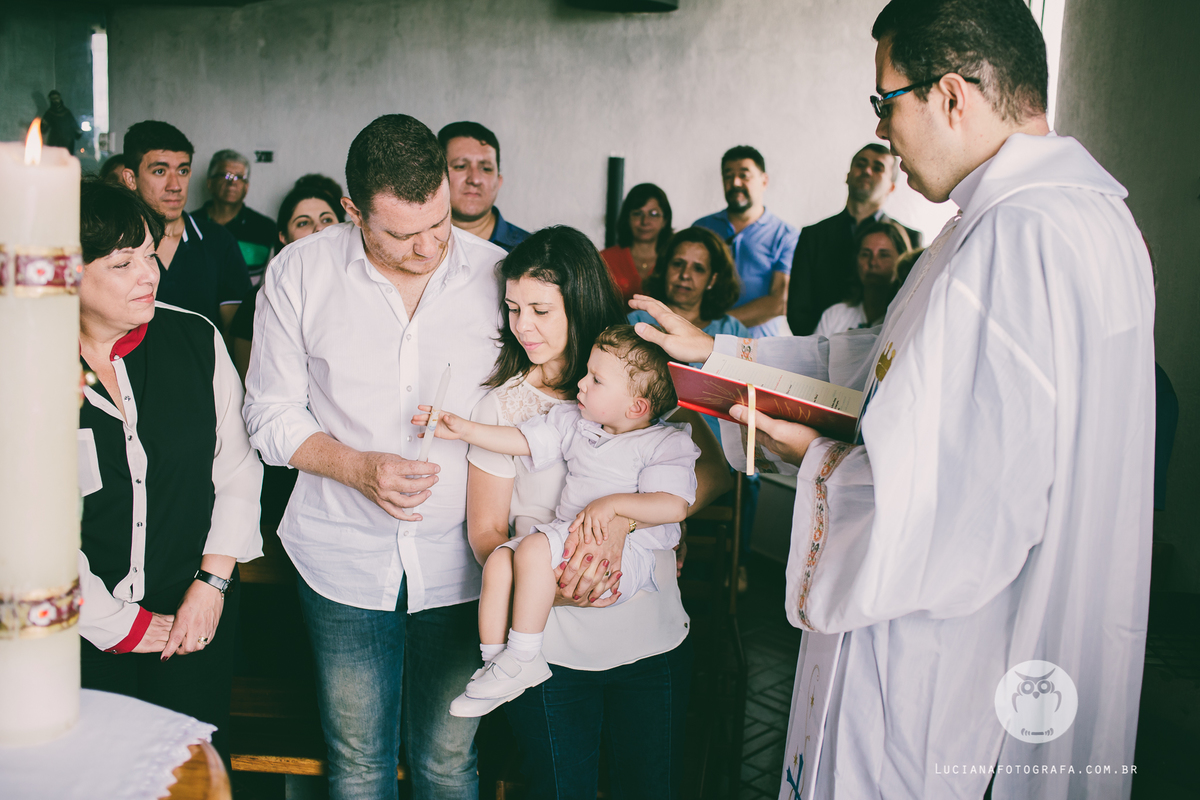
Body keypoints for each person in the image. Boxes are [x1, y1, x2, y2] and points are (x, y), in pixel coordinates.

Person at [632, 0, 1155, 797]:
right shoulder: (1048, 221)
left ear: (951, 94)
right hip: (964, 640)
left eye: (885, 102)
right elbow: (883, 364)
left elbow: (978, 508)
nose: (880, 131)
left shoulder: (1020, 236)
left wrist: (820, 462)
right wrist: (722, 353)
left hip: (941, 658)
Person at [244, 114, 506, 800]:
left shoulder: (499, 276)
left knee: (449, 764)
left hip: (465, 562)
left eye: (439, 224)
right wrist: (358, 468)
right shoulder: (300, 271)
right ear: (354, 210)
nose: (427, 249)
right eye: (400, 233)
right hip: (341, 558)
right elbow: (268, 414)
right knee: (358, 764)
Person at [463, 226, 731, 798]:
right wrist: (546, 585)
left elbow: (712, 473)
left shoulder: (641, 371)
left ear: (578, 301)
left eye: (540, 309)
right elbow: (486, 532)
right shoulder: (503, 405)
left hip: (649, 634)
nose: (522, 326)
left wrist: (627, 519)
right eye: (512, 309)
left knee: (649, 787)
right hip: (550, 642)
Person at [415, 324, 699, 716]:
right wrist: (464, 429)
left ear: (636, 407)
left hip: (627, 556)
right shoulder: (574, 422)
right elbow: (521, 441)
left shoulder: (665, 444)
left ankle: (523, 656)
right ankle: (497, 663)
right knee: (499, 560)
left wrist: (615, 506)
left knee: (530, 549)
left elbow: (673, 507)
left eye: (596, 380)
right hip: (567, 535)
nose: (581, 384)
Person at [75, 179, 263, 766]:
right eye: (122, 261)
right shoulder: (22, 363)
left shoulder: (195, 338)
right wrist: (113, 623)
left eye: (150, 254)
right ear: (63, 275)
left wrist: (212, 586)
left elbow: (235, 471)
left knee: (190, 774)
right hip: (73, 637)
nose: (148, 274)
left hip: (192, 619)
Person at [119, 121, 251, 334]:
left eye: (183, 170)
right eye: (160, 171)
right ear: (131, 179)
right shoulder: (113, 244)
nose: (175, 186)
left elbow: (236, 332)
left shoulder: (218, 242)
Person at [786, 144, 923, 335]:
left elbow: (911, 307)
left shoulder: (910, 238)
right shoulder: (813, 235)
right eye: (861, 164)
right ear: (848, 176)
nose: (867, 170)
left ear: (891, 187)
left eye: (878, 168)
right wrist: (825, 350)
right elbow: (798, 310)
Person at [230, 174, 345, 382]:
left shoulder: (364, 288)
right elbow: (251, 383)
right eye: (303, 223)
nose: (319, 229)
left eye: (327, 220)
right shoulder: (257, 301)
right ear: (283, 237)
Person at [693, 146, 798, 337]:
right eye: (728, 175)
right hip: (700, 344)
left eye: (744, 175)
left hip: (756, 349)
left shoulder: (786, 235)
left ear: (764, 181)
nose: (735, 182)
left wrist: (715, 325)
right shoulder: (701, 228)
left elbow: (780, 301)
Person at [438, 121, 530, 251]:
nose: (475, 180)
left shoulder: (531, 252)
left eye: (486, 169)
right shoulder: (415, 246)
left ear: (499, 181)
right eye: (460, 166)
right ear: (435, 177)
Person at [812, 219, 911, 337]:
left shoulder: (906, 319)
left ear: (901, 261)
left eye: (884, 255)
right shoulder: (834, 315)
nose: (873, 262)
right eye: (865, 254)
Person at [194, 149, 279, 285]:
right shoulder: (189, 224)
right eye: (225, 175)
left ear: (246, 187)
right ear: (210, 183)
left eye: (239, 177)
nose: (232, 182)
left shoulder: (265, 228)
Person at [600, 183, 673, 302]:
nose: (645, 221)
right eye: (637, 213)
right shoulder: (605, 259)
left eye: (653, 214)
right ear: (627, 218)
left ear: (665, 220)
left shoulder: (675, 259)